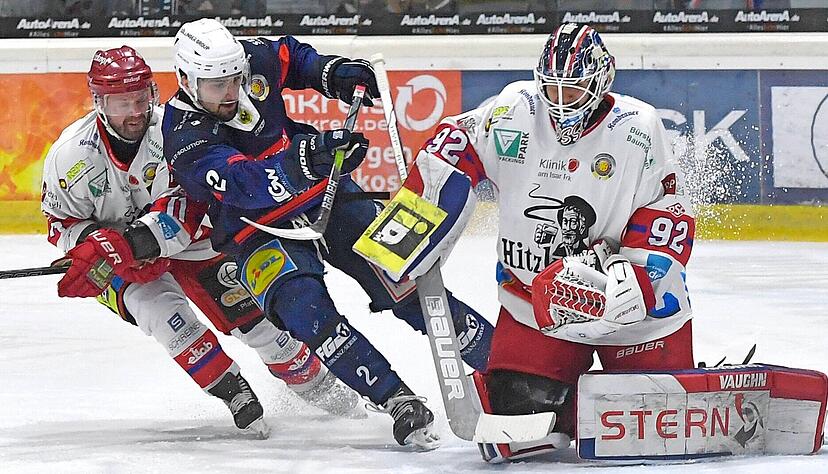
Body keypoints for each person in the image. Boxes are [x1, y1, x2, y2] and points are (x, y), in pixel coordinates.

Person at [160, 18, 494, 449]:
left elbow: (292, 58)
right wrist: (306, 160)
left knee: (405, 279)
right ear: (187, 80)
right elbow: (242, 182)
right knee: (307, 313)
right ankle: (396, 400)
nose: (230, 92)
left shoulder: (251, 58)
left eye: (234, 79)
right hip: (255, 230)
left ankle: (507, 365)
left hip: (325, 194)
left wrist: (333, 73)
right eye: (215, 85)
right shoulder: (182, 135)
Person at [374, 23, 695, 461]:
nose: (561, 104)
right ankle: (574, 407)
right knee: (512, 416)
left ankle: (623, 396)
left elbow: (668, 209)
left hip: (632, 310)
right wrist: (412, 216)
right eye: (552, 89)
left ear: (600, 83)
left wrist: (643, 275)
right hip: (535, 306)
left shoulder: (637, 128)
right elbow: (456, 142)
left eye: (574, 90)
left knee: (659, 417)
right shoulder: (515, 109)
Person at [42, 45, 362, 438]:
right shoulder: (68, 156)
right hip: (119, 258)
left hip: (192, 243)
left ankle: (332, 395)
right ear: (99, 102)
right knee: (164, 318)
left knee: (262, 329)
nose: (134, 112)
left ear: (152, 94)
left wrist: (134, 242)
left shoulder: (175, 133)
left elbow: (188, 209)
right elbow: (59, 221)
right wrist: (92, 243)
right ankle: (234, 393)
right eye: (120, 102)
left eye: (140, 99)